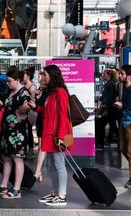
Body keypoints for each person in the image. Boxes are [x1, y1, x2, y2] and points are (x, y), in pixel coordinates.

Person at [0, 69, 32, 199]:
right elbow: (10, 106)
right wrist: (3, 104)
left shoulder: (23, 92)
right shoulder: (10, 91)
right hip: (7, 129)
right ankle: (4, 184)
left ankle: (16, 189)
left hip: (18, 131)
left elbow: (26, 108)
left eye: (9, 81)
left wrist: (24, 109)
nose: (8, 84)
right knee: (6, 157)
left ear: (18, 80)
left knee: (18, 158)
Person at [34, 64, 71, 206]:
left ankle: (61, 195)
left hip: (56, 135)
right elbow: (46, 112)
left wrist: (61, 136)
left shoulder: (60, 92)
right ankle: (55, 192)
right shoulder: (51, 92)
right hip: (49, 133)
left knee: (59, 165)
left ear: (52, 76)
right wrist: (36, 106)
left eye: (45, 75)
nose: (43, 77)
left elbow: (63, 116)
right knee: (52, 165)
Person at [95, 69, 119, 149]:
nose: (103, 75)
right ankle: (120, 143)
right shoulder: (109, 84)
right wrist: (99, 99)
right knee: (112, 126)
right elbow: (106, 97)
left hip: (109, 109)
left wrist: (106, 110)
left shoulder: (109, 85)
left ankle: (100, 144)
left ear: (109, 75)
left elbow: (109, 99)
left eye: (104, 74)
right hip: (110, 109)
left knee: (100, 126)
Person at [23, 66, 37, 158]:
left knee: (28, 131)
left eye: (23, 74)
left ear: (27, 76)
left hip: (30, 112)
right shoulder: (23, 85)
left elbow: (33, 101)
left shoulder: (33, 87)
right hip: (23, 111)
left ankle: (31, 150)